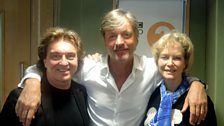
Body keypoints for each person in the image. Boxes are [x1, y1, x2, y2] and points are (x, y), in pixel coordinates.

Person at [15, 9, 207, 126]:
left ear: (136, 38)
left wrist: (197, 84)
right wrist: (31, 81)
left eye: (126, 34)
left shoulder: (152, 69)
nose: (119, 42)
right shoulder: (87, 68)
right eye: (112, 35)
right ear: (104, 40)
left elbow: (177, 73)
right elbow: (50, 66)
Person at [0, 27, 89, 126]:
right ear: (45, 61)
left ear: (78, 60)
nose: (64, 62)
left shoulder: (82, 93)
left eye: (70, 56)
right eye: (56, 56)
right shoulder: (21, 97)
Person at [142, 32, 216, 126]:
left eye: (177, 58)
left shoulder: (198, 100)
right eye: (164, 57)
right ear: (157, 61)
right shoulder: (152, 94)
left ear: (185, 63)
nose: (170, 63)